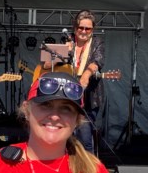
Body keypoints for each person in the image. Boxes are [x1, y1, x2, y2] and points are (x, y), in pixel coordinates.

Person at [36, 9, 105, 153]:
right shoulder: (67, 42)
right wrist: (64, 51)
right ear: (75, 28)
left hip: (89, 96)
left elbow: (97, 62)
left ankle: (87, 172)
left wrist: (86, 74)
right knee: (65, 135)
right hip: (67, 94)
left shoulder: (97, 42)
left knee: (84, 137)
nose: (84, 31)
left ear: (92, 30)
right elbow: (45, 64)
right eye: (81, 27)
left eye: (88, 28)